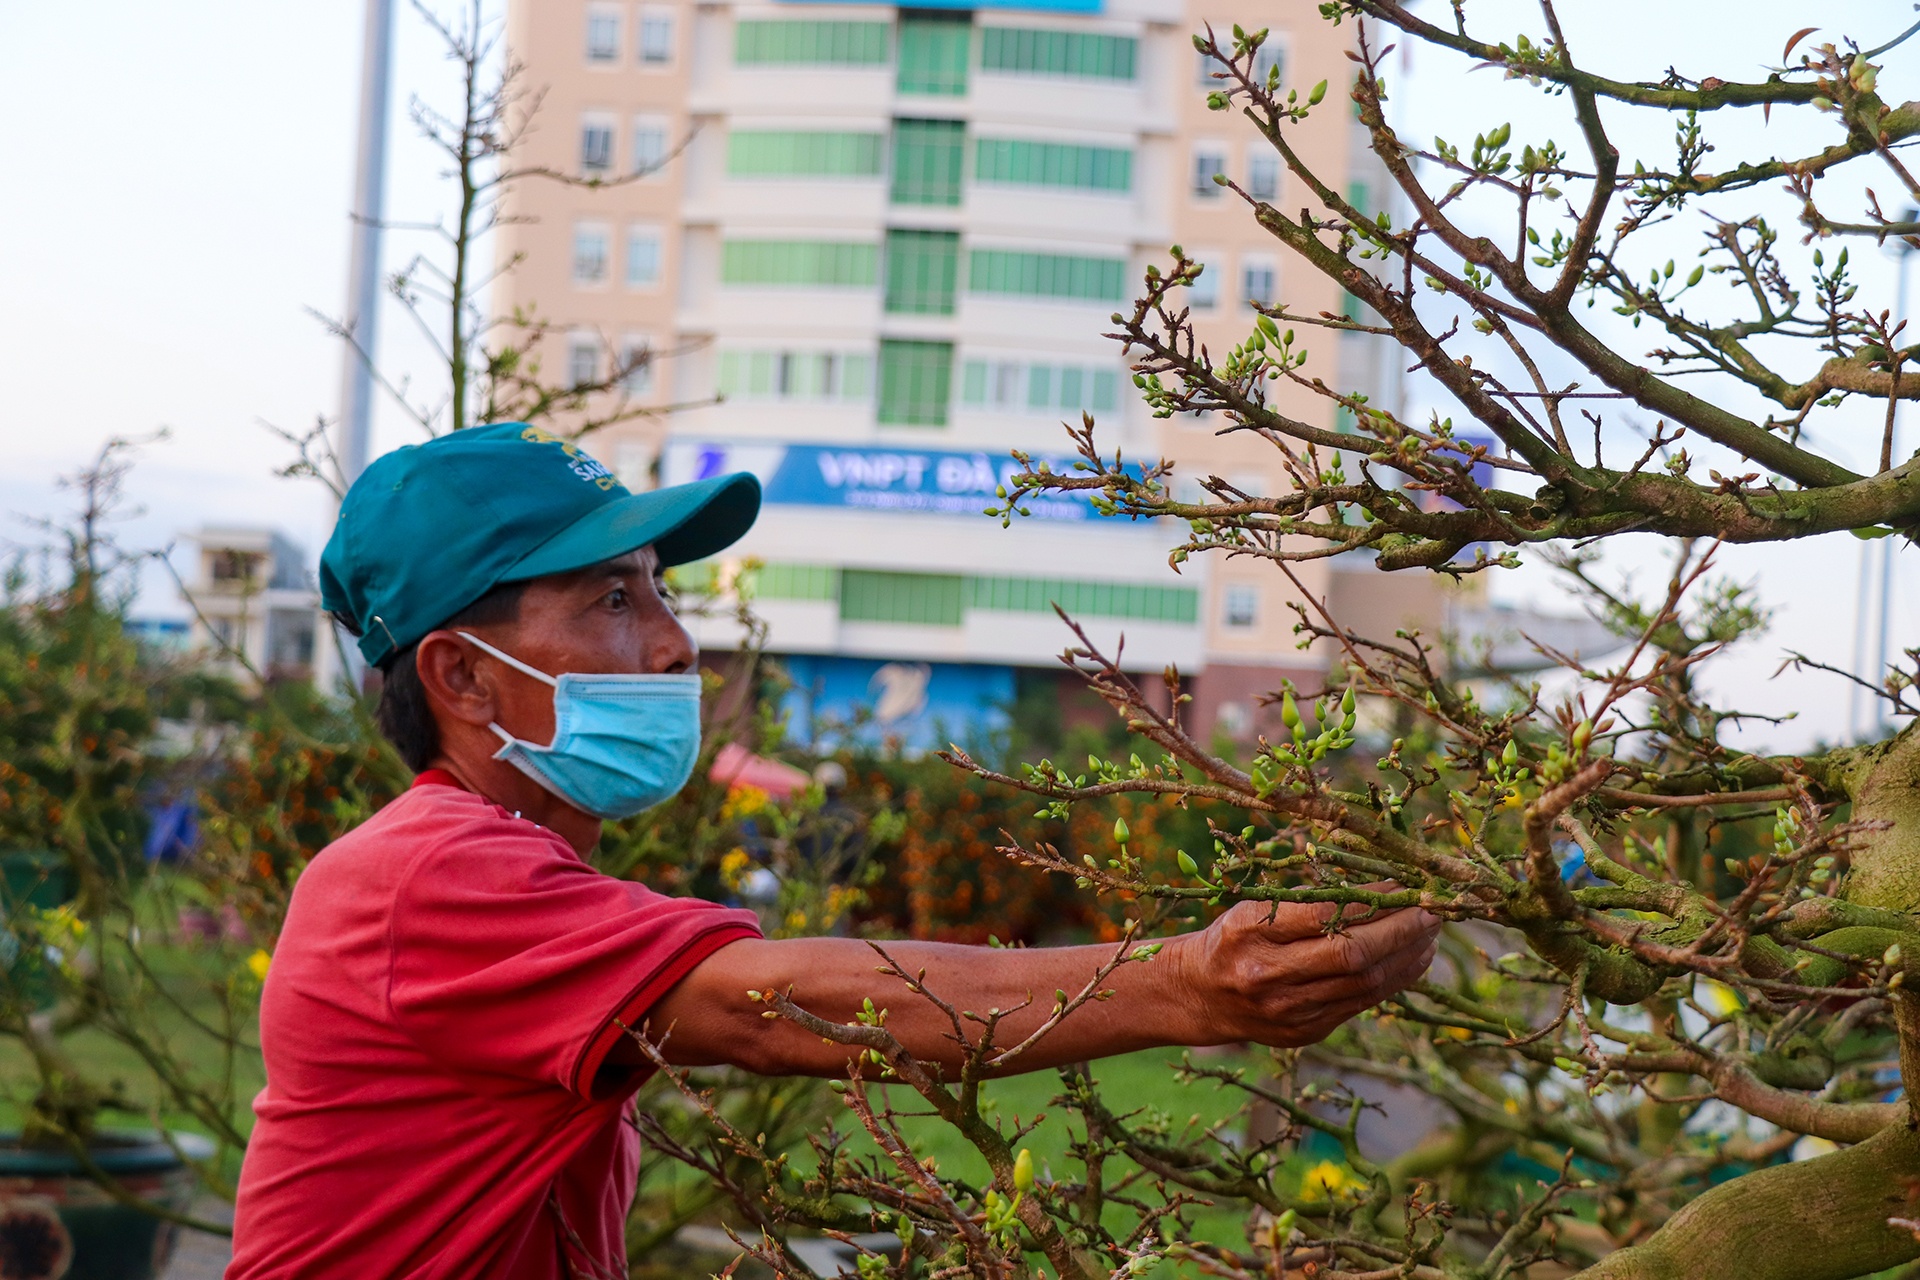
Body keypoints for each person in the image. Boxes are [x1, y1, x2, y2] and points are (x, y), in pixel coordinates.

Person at [225, 423, 1438, 1279]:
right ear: (461, 673)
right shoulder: (420, 875)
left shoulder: (518, 873)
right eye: (610, 599)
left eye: (657, 588)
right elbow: (767, 1009)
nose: (674, 641)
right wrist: (1187, 983)